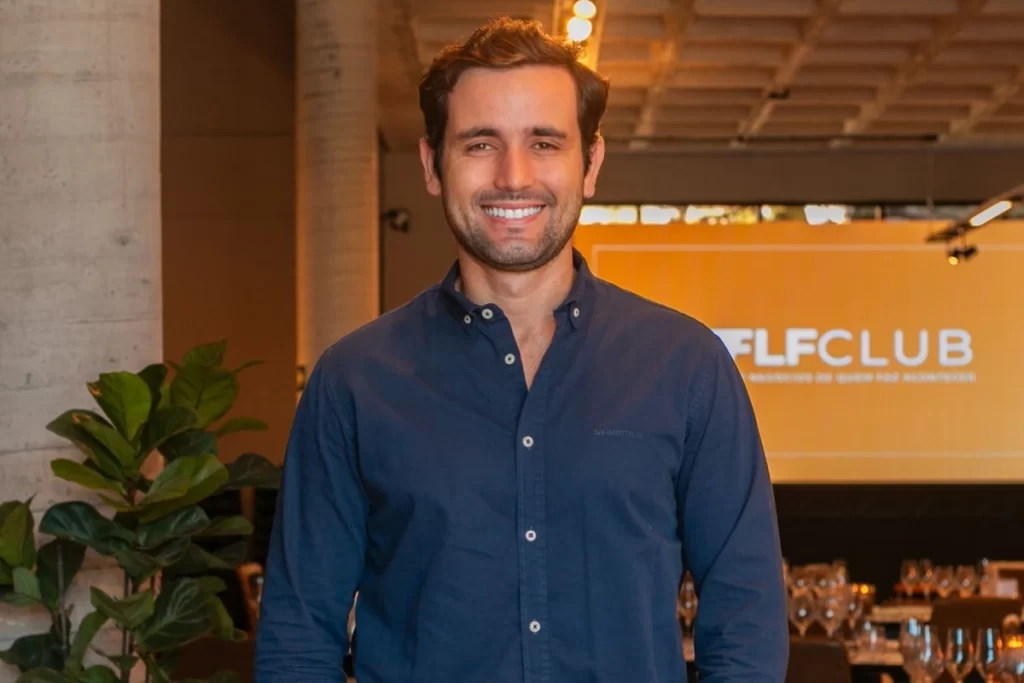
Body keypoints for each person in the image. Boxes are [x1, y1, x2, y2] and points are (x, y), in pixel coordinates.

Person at [254, 16, 788, 683]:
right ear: (432, 164)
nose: (513, 176)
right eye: (481, 143)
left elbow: (745, 619)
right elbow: (299, 636)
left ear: (590, 164)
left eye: (544, 142)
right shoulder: (354, 382)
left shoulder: (687, 366)